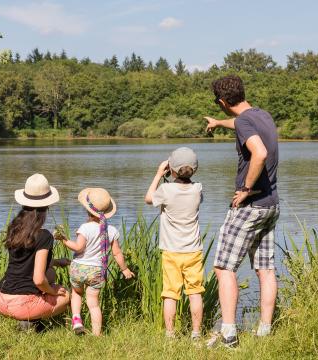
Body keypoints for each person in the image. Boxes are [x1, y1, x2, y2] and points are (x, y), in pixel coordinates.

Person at [204, 75, 280, 347]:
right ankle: (265, 330)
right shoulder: (262, 116)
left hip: (249, 206)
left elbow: (258, 153)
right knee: (266, 268)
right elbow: (239, 122)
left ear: (223, 102)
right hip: (271, 204)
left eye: (218, 106)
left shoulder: (246, 122)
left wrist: (246, 188)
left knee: (223, 268)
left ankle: (228, 334)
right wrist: (218, 123)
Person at [0, 173, 72, 331]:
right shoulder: (44, 236)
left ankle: (30, 320)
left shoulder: (15, 228)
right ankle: (30, 322)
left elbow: (27, 263)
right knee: (66, 296)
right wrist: (53, 291)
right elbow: (38, 279)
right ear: (46, 207)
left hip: (2, 299)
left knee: (50, 272)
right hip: (21, 305)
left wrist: (57, 262)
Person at [54, 187, 134, 336]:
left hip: (79, 268)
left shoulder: (85, 227)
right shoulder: (112, 231)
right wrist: (124, 269)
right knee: (93, 304)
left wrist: (63, 240)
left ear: (88, 211)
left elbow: (78, 247)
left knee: (77, 294)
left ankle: (77, 322)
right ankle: (97, 334)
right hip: (96, 271)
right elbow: (117, 253)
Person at [144, 147, 205, 340]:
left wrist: (158, 174)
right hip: (194, 251)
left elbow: (148, 199)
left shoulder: (165, 190)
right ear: (194, 169)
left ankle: (170, 335)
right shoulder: (198, 189)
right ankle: (196, 334)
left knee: (170, 294)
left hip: (171, 252)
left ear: (171, 168)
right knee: (195, 293)